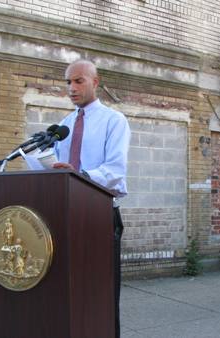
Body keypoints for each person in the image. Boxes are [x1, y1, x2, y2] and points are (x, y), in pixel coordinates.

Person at [53, 59, 130, 337]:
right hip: (66, 214)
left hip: (100, 216)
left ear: (95, 82)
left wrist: (80, 174)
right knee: (71, 291)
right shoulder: (63, 125)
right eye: (68, 82)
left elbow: (115, 171)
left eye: (78, 81)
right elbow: (62, 167)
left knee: (101, 294)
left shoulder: (114, 121)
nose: (71, 88)